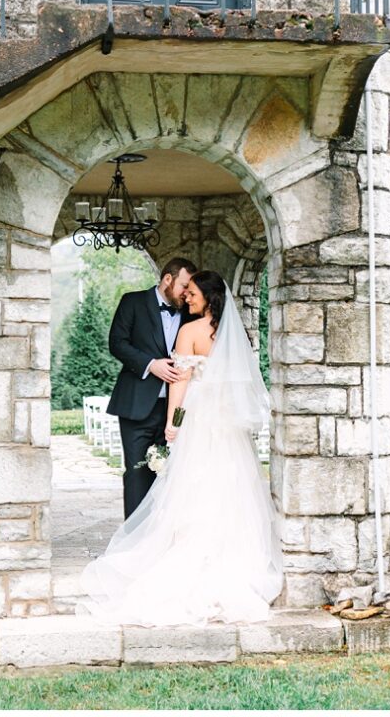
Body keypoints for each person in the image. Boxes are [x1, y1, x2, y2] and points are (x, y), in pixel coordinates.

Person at [84, 269, 282, 624]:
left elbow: (180, 385)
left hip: (200, 424)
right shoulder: (232, 336)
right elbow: (240, 385)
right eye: (184, 291)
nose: (187, 298)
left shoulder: (189, 332)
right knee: (231, 488)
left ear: (208, 295)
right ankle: (231, 561)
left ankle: (188, 556)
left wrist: (172, 426)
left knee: (192, 489)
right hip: (229, 428)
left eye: (192, 293)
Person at [105, 257, 196, 520]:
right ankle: (132, 540)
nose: (187, 293)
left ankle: (161, 541)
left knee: (174, 475)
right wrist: (150, 365)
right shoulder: (132, 302)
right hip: (137, 406)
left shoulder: (191, 311)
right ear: (168, 279)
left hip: (179, 409)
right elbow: (117, 343)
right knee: (136, 472)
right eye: (183, 286)